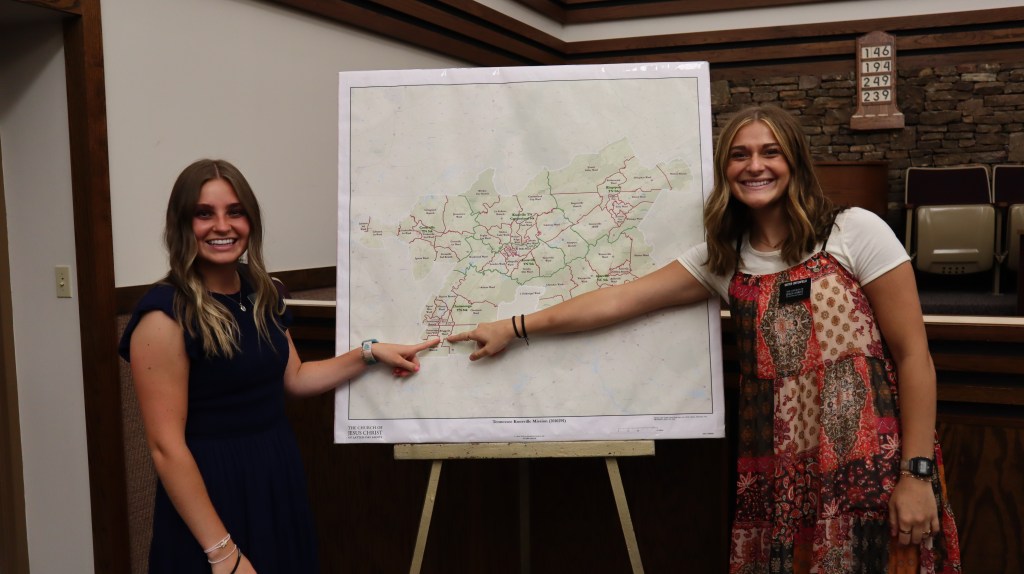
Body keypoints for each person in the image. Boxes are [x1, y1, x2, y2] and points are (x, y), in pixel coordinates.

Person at [448, 105, 961, 573]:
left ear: (795, 162)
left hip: (870, 466)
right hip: (779, 479)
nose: (754, 166)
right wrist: (514, 326)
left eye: (770, 152)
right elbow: (617, 300)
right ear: (724, 169)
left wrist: (915, 475)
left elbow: (914, 357)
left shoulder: (853, 231)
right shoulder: (725, 259)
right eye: (739, 155)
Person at [119, 158, 439, 574]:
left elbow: (296, 378)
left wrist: (368, 353)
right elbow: (166, 449)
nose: (222, 226)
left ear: (251, 220)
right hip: (211, 494)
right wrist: (223, 553)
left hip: (275, 477)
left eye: (235, 212)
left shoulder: (262, 291)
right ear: (181, 224)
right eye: (204, 214)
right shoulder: (163, 315)